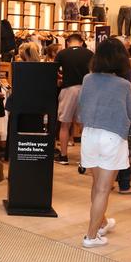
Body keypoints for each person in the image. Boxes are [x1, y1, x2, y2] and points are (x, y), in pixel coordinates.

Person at [78, 38, 131, 247]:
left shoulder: (88, 79)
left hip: (89, 134)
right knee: (104, 188)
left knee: (97, 186)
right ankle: (91, 236)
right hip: (112, 137)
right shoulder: (123, 85)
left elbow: (81, 107)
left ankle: (101, 222)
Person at [54, 33, 93, 165]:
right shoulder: (89, 54)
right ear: (81, 42)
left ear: (68, 42)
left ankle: (64, 156)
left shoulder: (62, 54)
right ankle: (85, 159)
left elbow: (54, 71)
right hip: (86, 89)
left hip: (68, 89)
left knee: (65, 124)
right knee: (84, 126)